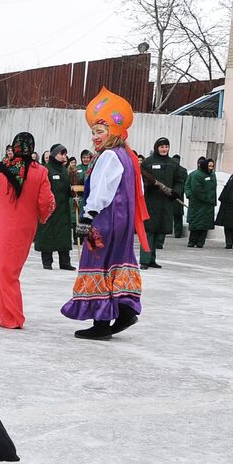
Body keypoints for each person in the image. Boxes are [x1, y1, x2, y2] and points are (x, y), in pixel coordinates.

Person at [61, 87, 148, 340]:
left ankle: (100, 325)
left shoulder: (109, 156)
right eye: (93, 132)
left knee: (97, 264)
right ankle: (124, 312)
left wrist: (87, 217)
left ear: (113, 132)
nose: (95, 137)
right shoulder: (128, 156)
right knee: (115, 265)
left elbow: (101, 191)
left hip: (104, 221)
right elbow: (138, 189)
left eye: (100, 132)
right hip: (122, 222)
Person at [0, 132, 55, 329]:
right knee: (11, 270)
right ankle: (3, 313)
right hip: (26, 227)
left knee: (1, 270)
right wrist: (41, 216)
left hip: (3, 225)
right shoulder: (40, 172)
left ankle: (9, 315)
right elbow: (46, 202)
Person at [138, 137, 183, 269]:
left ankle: (152, 259)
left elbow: (179, 180)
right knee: (148, 231)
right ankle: (144, 260)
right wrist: (148, 186)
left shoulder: (173, 164)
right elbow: (140, 180)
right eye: (162, 147)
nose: (164, 149)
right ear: (157, 147)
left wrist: (176, 192)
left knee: (158, 231)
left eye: (166, 147)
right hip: (150, 202)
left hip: (165, 202)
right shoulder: (148, 162)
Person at [35, 144, 76, 270]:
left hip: (63, 210)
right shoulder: (45, 170)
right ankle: (47, 262)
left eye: (65, 154)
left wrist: (72, 192)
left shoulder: (64, 170)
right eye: (61, 154)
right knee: (48, 234)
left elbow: (67, 187)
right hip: (49, 210)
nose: (64, 156)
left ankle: (65, 262)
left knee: (63, 235)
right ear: (54, 155)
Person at [185, 158, 218, 248]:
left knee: (205, 224)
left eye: (212, 166)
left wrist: (213, 200)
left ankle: (201, 242)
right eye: (209, 166)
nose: (211, 168)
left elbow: (213, 189)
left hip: (209, 204)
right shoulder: (196, 174)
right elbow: (196, 189)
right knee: (196, 223)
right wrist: (191, 196)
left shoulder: (212, 175)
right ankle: (192, 240)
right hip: (198, 203)